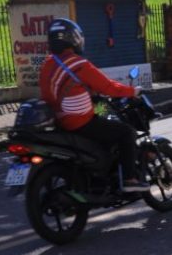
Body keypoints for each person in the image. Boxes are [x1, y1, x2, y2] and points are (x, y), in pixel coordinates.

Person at [38, 18, 143, 186]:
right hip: (79, 121)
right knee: (126, 132)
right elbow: (108, 88)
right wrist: (133, 91)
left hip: (58, 120)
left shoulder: (47, 64)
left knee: (104, 116)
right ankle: (130, 179)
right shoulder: (78, 64)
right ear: (74, 39)